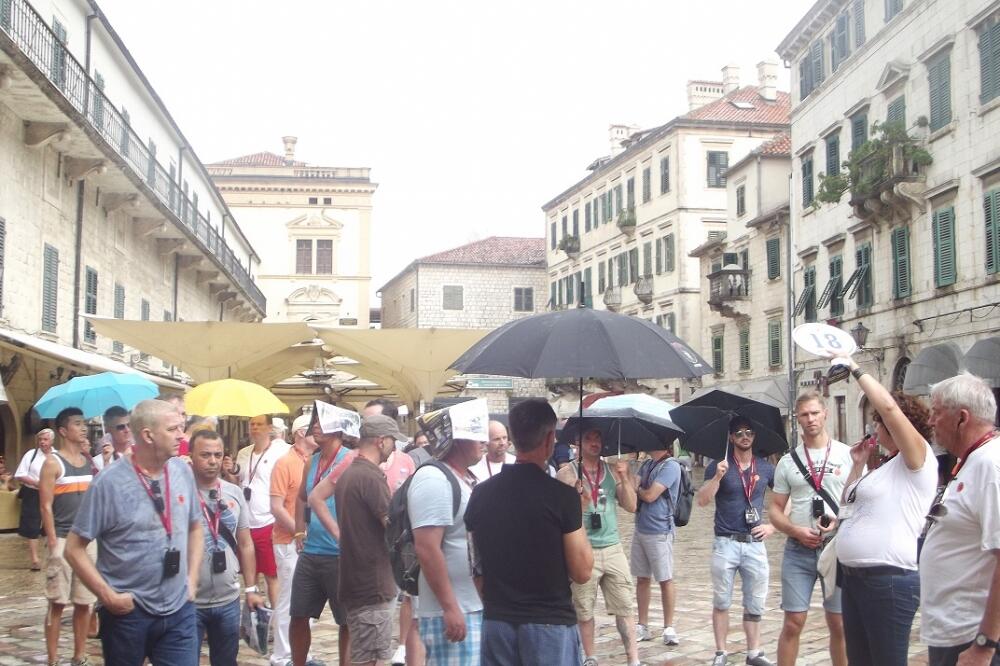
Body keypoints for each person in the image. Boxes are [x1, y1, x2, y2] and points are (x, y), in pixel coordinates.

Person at [65, 399, 203, 665]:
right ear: (148, 435)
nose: (181, 436)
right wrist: (108, 597)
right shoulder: (109, 483)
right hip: (128, 614)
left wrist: (192, 580)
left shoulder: (182, 471)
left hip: (179, 609)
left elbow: (196, 525)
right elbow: (74, 548)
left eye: (181, 428)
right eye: (173, 429)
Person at [465, 398, 592, 665]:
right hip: (549, 624)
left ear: (513, 437)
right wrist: (577, 511)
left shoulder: (480, 494)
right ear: (549, 440)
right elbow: (582, 571)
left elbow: (476, 567)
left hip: (497, 621)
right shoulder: (561, 498)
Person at [829, 356, 937, 666]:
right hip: (854, 579)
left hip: (887, 579)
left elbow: (890, 409)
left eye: (878, 421)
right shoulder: (885, 465)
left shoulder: (917, 459)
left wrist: (854, 368)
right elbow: (847, 504)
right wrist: (858, 464)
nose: (874, 425)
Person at [920, 373, 1000, 666]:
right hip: (952, 632)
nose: (930, 422)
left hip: (972, 635)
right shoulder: (974, 460)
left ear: (961, 418)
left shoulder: (991, 465)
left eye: (936, 412)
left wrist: (985, 644)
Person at [769, 392, 852, 666]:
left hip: (836, 549)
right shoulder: (787, 461)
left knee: (839, 623)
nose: (810, 419)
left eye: (815, 413)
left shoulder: (847, 454)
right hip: (799, 550)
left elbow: (858, 502)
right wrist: (795, 531)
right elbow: (775, 509)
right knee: (794, 621)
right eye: (804, 414)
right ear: (797, 418)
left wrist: (838, 521)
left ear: (825, 413)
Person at [322, 414, 407, 666]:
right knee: (374, 659)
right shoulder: (370, 477)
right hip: (373, 585)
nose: (394, 447)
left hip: (357, 581)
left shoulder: (350, 474)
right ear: (381, 441)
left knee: (364, 655)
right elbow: (392, 528)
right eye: (393, 441)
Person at [409, 399, 488, 665]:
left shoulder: (463, 477)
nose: (483, 440)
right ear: (457, 438)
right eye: (476, 433)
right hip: (455, 610)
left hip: (472, 606)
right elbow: (426, 547)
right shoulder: (433, 479)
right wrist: (450, 607)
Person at [695, 420, 777, 666]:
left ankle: (754, 653)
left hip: (755, 542)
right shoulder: (718, 466)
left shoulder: (765, 467)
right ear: (731, 437)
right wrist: (717, 478)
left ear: (754, 436)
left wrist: (773, 525)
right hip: (725, 542)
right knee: (722, 600)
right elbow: (702, 501)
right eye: (739, 433)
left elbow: (787, 497)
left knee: (755, 600)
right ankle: (721, 652)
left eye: (749, 432)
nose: (745, 436)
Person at [557, 428, 640, 666]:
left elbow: (632, 507)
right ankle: (590, 658)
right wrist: (577, 499)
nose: (595, 442)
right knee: (584, 609)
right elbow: (561, 516)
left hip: (613, 547)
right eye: (588, 438)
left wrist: (625, 478)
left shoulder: (613, 471)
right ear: (577, 442)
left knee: (624, 605)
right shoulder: (566, 474)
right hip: (583, 549)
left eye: (597, 437)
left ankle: (633, 659)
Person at [290, 403, 359, 666]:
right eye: (314, 421)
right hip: (311, 552)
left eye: (321, 421)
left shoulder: (350, 460)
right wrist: (298, 530)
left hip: (340, 555)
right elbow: (301, 498)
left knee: (346, 621)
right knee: (298, 615)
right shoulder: (312, 461)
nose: (315, 426)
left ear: (338, 428)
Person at [189, 429, 264, 666]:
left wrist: (251, 588)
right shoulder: (180, 492)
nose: (212, 461)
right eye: (205, 455)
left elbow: (245, 543)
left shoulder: (233, 493)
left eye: (217, 455)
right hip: (189, 601)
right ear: (191, 455)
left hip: (228, 598)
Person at [363, 399, 420, 666]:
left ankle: (401, 648)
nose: (366, 426)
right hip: (372, 546)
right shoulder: (360, 462)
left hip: (401, 544)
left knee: (407, 597)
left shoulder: (407, 461)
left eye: (371, 419)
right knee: (377, 609)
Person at [38, 408, 96, 666]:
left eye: (84, 424)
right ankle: (52, 659)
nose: (83, 428)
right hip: (62, 537)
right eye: (77, 424)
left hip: (86, 541)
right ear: (63, 430)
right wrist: (52, 542)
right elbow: (45, 505)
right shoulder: (53, 462)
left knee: (85, 602)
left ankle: (79, 654)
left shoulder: (88, 460)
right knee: (57, 602)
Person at [269, 414, 316, 666]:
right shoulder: (285, 463)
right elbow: (276, 507)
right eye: (313, 430)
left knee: (306, 600)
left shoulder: (314, 462)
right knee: (289, 598)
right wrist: (299, 531)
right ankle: (282, 654)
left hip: (307, 541)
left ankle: (301, 652)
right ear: (300, 433)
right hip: (288, 540)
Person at [235, 413, 291, 609]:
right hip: (245, 520)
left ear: (269, 428)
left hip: (268, 519)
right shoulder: (243, 453)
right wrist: (231, 472)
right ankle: (255, 620)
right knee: (249, 577)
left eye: (259, 424)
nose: (255, 428)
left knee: (271, 574)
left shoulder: (280, 453)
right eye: (252, 424)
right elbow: (239, 481)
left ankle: (277, 620)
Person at [631, 439, 682, 648]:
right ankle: (642, 625)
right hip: (640, 528)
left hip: (660, 530)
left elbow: (651, 495)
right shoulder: (647, 464)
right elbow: (632, 483)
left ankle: (668, 627)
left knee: (665, 579)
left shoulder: (671, 466)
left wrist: (638, 490)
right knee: (642, 578)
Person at [14, 428, 54, 571]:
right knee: (32, 525)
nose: (42, 442)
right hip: (33, 492)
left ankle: (51, 555)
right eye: (40, 439)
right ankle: (35, 559)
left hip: (52, 493)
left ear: (52, 441)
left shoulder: (56, 456)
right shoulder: (31, 455)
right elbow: (20, 474)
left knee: (50, 525)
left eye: (45, 439)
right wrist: (36, 482)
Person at [93, 406, 133, 472]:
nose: (127, 430)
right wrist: (106, 462)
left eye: (129, 425)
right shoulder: (98, 461)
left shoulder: (141, 454)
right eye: (121, 427)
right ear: (109, 429)